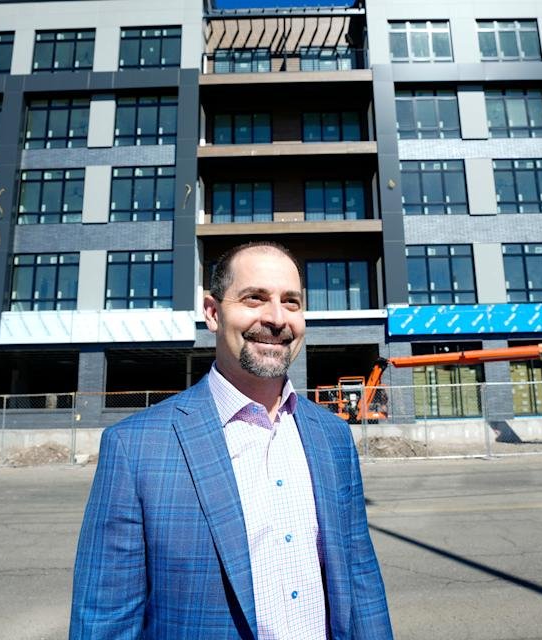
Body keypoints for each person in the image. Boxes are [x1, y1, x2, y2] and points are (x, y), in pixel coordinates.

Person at [70, 241, 393, 639]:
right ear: (212, 312)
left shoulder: (333, 437)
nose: (276, 318)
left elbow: (360, 581)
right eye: (254, 298)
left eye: (291, 302)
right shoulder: (135, 448)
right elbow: (106, 619)